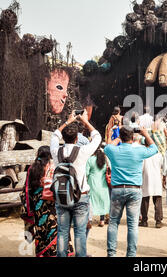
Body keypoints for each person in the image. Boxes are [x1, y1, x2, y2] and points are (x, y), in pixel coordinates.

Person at [50, 110, 102, 257]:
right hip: (81, 197)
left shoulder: (56, 152)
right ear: (76, 138)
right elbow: (97, 137)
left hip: (61, 197)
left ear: (64, 138)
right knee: (79, 233)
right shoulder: (83, 151)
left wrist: (68, 121)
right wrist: (84, 121)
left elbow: (54, 135)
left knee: (62, 232)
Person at [104, 126, 158, 257]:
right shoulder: (139, 151)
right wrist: (145, 134)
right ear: (133, 137)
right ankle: (131, 254)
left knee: (113, 222)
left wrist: (117, 137)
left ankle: (111, 254)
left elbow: (107, 147)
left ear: (121, 137)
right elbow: (154, 149)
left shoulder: (113, 150)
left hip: (117, 190)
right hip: (134, 190)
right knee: (133, 225)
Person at [20, 146, 74, 257]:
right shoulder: (54, 167)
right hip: (53, 204)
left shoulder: (32, 168)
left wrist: (28, 209)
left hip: (38, 205)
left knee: (41, 229)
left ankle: (43, 252)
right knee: (56, 227)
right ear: (49, 155)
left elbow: (27, 188)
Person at [86, 145, 110, 227]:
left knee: (91, 201)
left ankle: (89, 219)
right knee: (102, 201)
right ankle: (102, 220)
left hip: (92, 183)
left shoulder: (90, 160)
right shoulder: (105, 160)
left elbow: (86, 173)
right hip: (103, 184)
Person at [140, 150, 164, 228]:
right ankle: (158, 221)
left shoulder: (144, 155)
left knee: (145, 200)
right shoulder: (159, 155)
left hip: (146, 179)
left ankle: (144, 220)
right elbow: (162, 166)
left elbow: (141, 168)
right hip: (156, 178)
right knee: (158, 200)